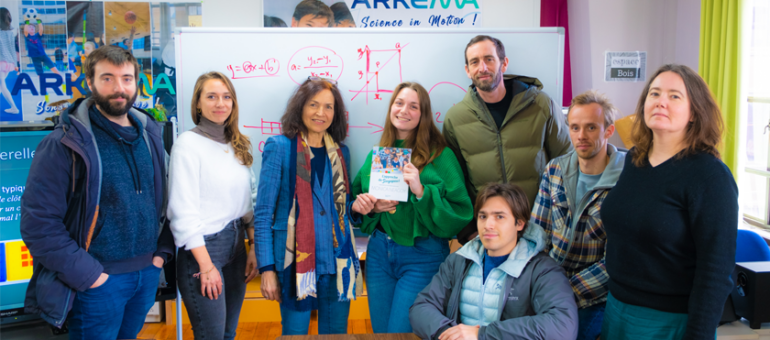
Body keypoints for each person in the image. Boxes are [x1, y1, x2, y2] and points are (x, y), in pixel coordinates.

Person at [20, 45, 173, 339]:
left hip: (146, 275)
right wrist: (91, 276)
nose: (119, 88)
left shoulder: (150, 134)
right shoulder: (65, 142)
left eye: (127, 79)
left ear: (136, 83)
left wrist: (161, 255)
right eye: (107, 78)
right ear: (90, 83)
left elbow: (168, 202)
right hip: (97, 282)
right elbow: (39, 224)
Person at [600, 64, 738, 339]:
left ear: (694, 113)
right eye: (655, 93)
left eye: (675, 96)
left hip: (669, 321)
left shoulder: (710, 176)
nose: (661, 101)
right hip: (616, 309)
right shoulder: (635, 159)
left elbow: (716, 272)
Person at [350, 82, 473, 333]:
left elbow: (461, 212)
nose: (404, 110)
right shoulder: (380, 154)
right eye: (399, 103)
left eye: (413, 106)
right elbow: (356, 203)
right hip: (378, 254)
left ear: (423, 114)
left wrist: (421, 191)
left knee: (401, 333)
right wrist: (368, 207)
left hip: (422, 256)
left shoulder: (441, 156)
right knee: (382, 334)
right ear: (390, 108)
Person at [254, 77, 365, 335]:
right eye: (313, 104)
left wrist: (357, 210)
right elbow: (262, 216)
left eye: (328, 107)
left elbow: (342, 210)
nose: (320, 113)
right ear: (300, 107)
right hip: (294, 265)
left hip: (337, 262)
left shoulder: (341, 152)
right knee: (295, 333)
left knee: (336, 334)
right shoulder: (279, 147)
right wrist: (267, 269)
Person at [442, 35, 572, 244]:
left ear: (504, 63)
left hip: (539, 228)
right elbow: (454, 181)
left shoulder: (541, 104)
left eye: (489, 59)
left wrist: (558, 223)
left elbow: (566, 164)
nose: (482, 67)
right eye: (474, 62)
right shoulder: (455, 119)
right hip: (488, 232)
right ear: (467, 70)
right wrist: (468, 230)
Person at [410, 183, 578, 340]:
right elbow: (421, 307)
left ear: (519, 223)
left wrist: (481, 334)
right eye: (483, 216)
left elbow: (563, 325)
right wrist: (450, 334)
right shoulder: (458, 261)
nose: (488, 225)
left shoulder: (543, 269)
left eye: (499, 217)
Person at [167, 71, 258, 339]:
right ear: (198, 104)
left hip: (236, 245)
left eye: (226, 97)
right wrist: (206, 267)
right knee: (211, 335)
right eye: (211, 96)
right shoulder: (187, 145)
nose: (220, 103)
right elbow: (182, 213)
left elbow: (248, 201)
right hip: (203, 251)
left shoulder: (237, 143)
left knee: (228, 333)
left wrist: (252, 246)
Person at [530, 90, 624, 340]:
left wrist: (564, 291)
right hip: (550, 283)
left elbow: (619, 260)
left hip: (596, 295)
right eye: (574, 127)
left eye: (591, 127)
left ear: (608, 130)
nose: (581, 136)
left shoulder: (628, 180)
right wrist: (538, 284)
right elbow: (537, 234)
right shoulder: (555, 170)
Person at [0, 8, 18, 113]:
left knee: (3, 85)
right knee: (2, 85)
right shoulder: (10, 31)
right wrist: (15, 64)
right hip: (8, 62)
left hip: (1, 61)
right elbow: (12, 49)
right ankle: (14, 107)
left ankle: (14, 108)